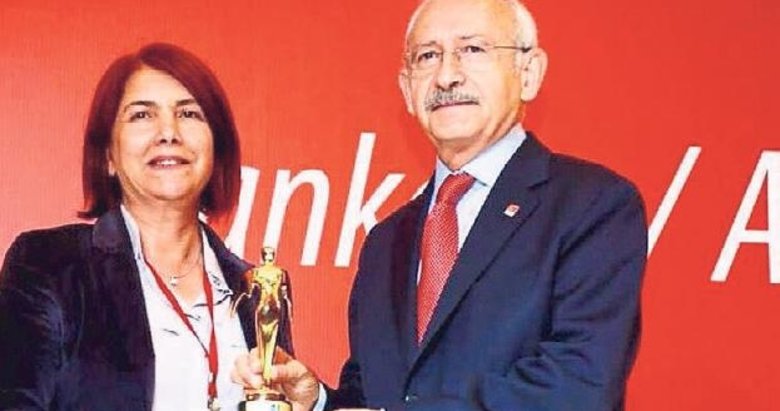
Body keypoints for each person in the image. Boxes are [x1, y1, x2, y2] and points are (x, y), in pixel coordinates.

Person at [232, 0, 647, 410]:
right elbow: (374, 396)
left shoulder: (592, 206)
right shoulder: (385, 242)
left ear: (528, 73)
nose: (447, 76)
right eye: (428, 56)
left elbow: (577, 387)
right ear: (406, 89)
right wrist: (318, 401)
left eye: (473, 49)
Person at [0, 43, 292, 410]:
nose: (168, 132)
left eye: (189, 113)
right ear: (108, 155)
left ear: (217, 150)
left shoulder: (257, 289)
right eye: (141, 115)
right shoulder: (50, 265)